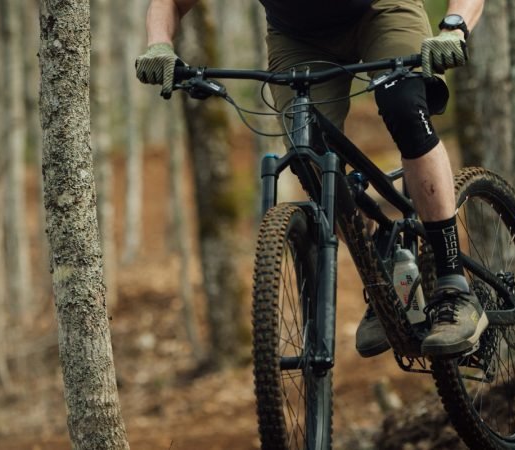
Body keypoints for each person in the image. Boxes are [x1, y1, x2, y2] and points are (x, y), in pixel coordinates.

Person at [136, 0, 488, 359]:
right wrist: (159, 44)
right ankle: (381, 277)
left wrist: (455, 26)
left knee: (405, 109)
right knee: (312, 161)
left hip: (382, 11)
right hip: (298, 39)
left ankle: (453, 286)